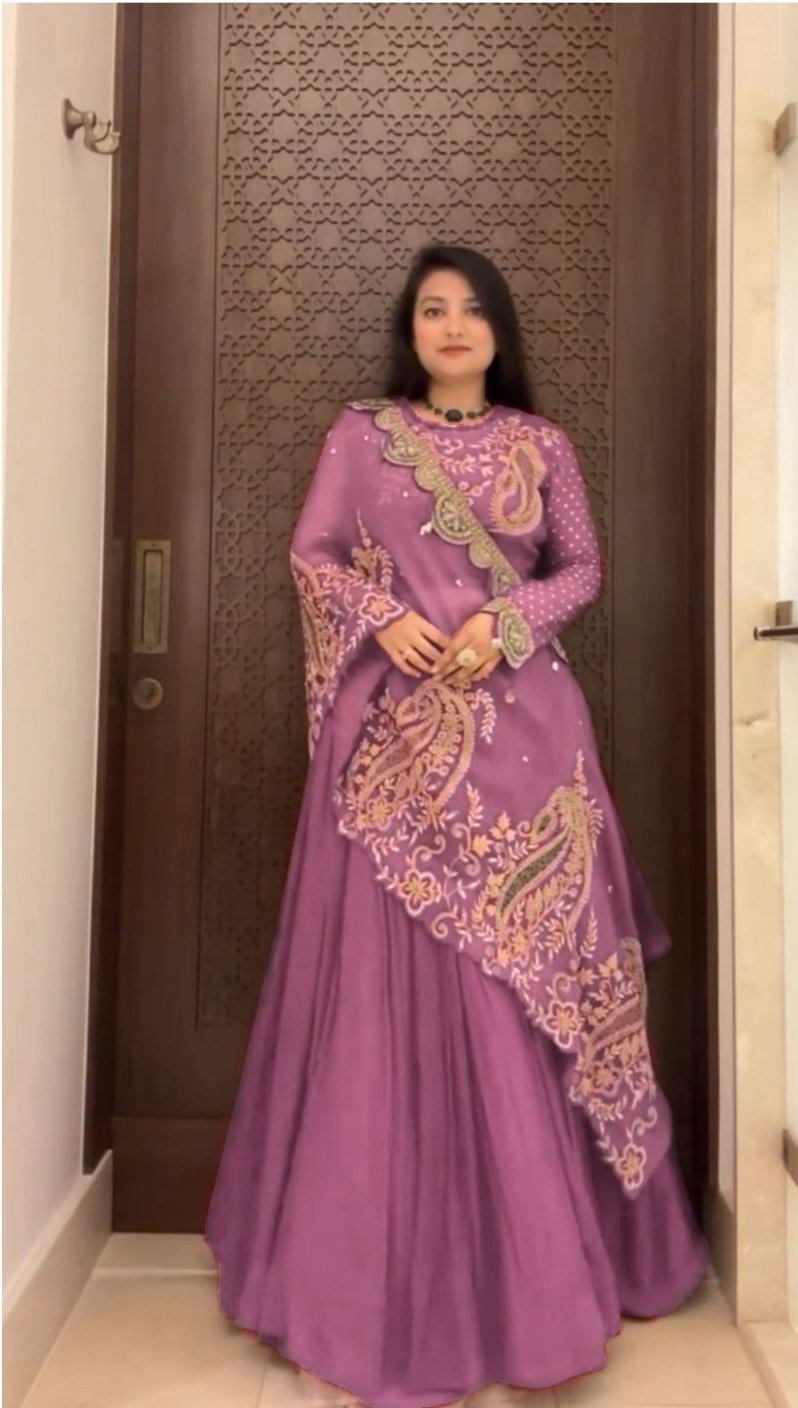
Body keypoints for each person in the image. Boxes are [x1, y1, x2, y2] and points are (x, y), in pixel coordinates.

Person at [203, 243, 709, 1408]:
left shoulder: (544, 446)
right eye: (433, 309)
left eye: (473, 309)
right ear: (411, 329)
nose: (452, 325)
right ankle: (378, 1288)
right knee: (390, 996)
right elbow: (312, 557)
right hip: (395, 756)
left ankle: (547, 1277)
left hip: (528, 745)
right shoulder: (363, 437)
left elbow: (581, 569)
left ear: (498, 330)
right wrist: (383, 617)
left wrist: (506, 623)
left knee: (528, 983)